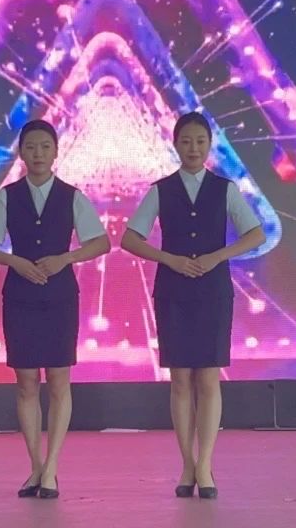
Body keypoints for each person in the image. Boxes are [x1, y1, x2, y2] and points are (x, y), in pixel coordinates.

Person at [120, 111, 266, 499]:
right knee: (181, 378)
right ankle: (187, 464)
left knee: (209, 377)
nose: (193, 148)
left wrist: (219, 255)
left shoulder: (224, 189)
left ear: (210, 145)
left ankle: (206, 465)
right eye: (186, 141)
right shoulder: (161, 190)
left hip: (213, 291)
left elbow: (255, 234)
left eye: (200, 141)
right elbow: (130, 239)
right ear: (175, 144)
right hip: (173, 291)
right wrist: (168, 258)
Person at [0, 119, 110, 499]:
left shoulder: (71, 196)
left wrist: (66, 258)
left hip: (60, 296)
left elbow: (100, 242)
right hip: (20, 296)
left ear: (55, 152)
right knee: (26, 381)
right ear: (21, 153)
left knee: (59, 380)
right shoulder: (8, 196)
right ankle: (35, 466)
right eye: (31, 147)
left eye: (44, 147)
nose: (37, 154)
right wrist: (14, 261)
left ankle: (52, 469)